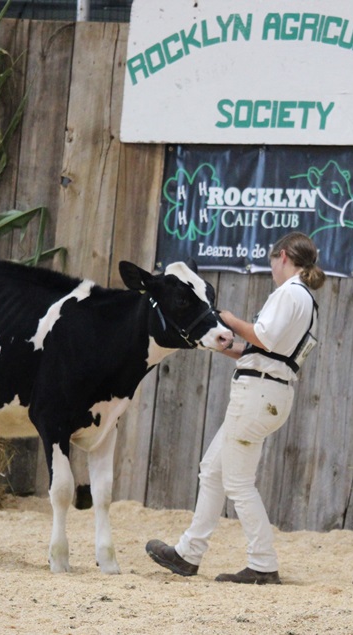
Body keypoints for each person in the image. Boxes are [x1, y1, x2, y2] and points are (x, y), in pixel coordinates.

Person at [145, 232, 325, 584]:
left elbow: (264, 336)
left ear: (283, 255)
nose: (273, 269)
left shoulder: (289, 293)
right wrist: (223, 344)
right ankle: (188, 553)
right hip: (268, 391)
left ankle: (263, 562)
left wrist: (224, 317)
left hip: (258, 393)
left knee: (239, 482)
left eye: (273, 262)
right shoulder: (307, 302)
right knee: (212, 470)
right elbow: (264, 350)